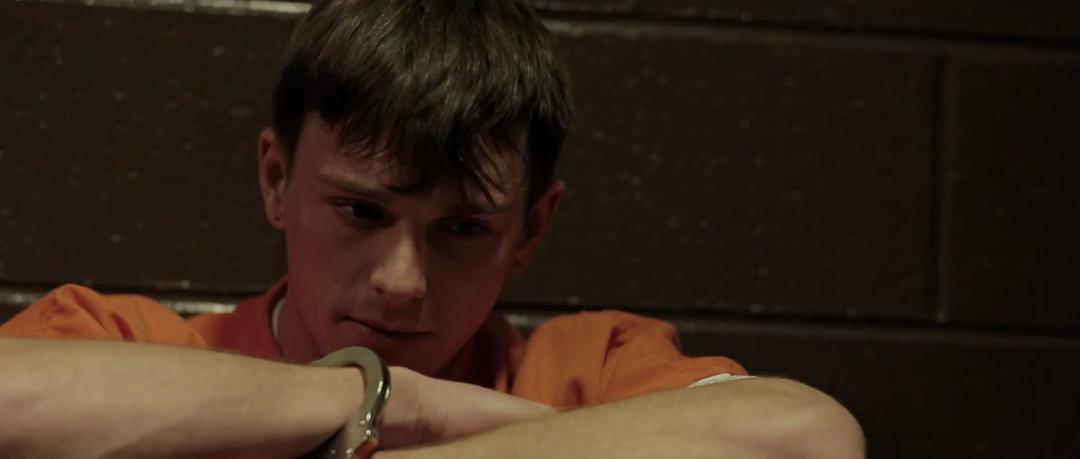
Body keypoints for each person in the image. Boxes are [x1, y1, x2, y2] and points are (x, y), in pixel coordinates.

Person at [0, 1, 864, 458]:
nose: (401, 281)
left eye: (460, 228)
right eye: (361, 211)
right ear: (277, 180)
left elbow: (807, 440)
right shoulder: (131, 344)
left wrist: (394, 421)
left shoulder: (589, 369)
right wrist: (368, 397)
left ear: (531, 227)